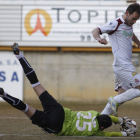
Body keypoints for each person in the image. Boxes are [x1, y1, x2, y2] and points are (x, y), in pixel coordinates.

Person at [0, 43, 135, 137]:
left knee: (35, 83)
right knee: (26, 109)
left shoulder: (94, 113)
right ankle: (4, 94)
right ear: (101, 128)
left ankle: (20, 56)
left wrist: (121, 121)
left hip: (60, 111)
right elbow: (110, 134)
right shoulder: (97, 132)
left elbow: (107, 118)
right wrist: (124, 134)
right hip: (56, 125)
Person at [92, 3, 140, 117]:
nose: (134, 22)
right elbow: (96, 30)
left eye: (136, 20)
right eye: (133, 19)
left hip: (123, 66)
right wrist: (99, 38)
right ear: (127, 13)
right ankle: (114, 100)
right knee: (136, 89)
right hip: (122, 66)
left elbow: (129, 32)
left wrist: (138, 42)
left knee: (121, 98)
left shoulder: (128, 23)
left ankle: (99, 122)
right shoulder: (116, 23)